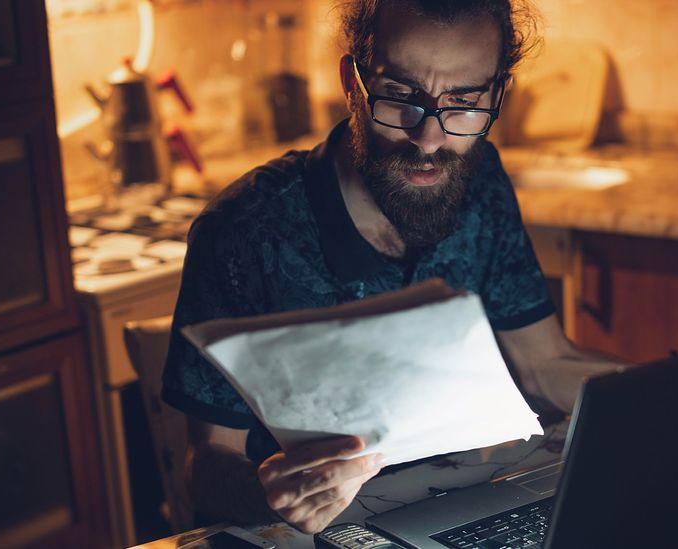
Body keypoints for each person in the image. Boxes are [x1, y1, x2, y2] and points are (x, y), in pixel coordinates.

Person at [161, 0, 628, 535]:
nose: (429, 139)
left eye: (465, 102)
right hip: (303, 537)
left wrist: (677, 399)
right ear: (352, 85)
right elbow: (206, 466)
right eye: (401, 96)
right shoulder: (245, 229)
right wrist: (271, 493)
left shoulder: (480, 182)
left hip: (456, 512)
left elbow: (545, 362)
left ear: (498, 94)